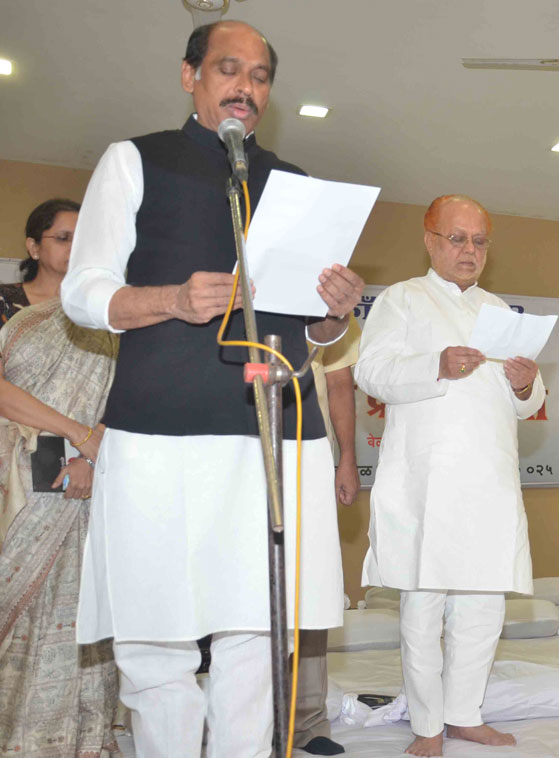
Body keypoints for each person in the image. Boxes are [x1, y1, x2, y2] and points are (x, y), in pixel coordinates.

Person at [60, 21, 361, 756]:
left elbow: (311, 333)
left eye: (260, 77)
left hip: (277, 435)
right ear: (190, 74)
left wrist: (332, 316)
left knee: (258, 639)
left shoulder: (296, 186)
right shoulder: (135, 160)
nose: (246, 88)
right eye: (230, 70)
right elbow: (83, 290)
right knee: (155, 640)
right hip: (161, 433)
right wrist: (170, 299)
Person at [354, 194, 544, 757]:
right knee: (424, 606)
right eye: (457, 238)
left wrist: (525, 382)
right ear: (430, 240)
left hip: (490, 481)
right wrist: (434, 364)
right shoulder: (402, 299)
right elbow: (372, 372)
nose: (469, 250)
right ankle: (427, 723)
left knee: (484, 608)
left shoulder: (503, 311)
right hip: (426, 483)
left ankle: (465, 714)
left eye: (479, 241)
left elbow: (528, 403)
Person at [0, 199, 119, 756]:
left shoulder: (107, 315)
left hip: (87, 480)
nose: (73, 249)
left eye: (82, 238)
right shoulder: (10, 308)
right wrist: (77, 431)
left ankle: (79, 738)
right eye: (62, 237)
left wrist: (92, 453)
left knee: (81, 608)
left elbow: (127, 395)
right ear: (34, 247)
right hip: (14, 483)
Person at [291, 316, 363, 756]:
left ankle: (308, 721)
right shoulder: (228, 279)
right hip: (234, 447)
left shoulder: (328, 299)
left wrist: (347, 457)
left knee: (310, 585)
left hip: (309, 452)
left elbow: (339, 384)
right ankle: (251, 715)